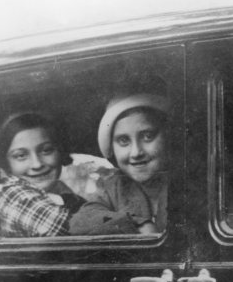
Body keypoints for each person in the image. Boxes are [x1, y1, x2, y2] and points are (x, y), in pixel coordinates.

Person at [68, 94, 170, 236]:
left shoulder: (190, 184)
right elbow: (80, 222)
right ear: (112, 147)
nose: (136, 152)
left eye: (148, 136)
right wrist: (134, 223)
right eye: (123, 140)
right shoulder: (114, 186)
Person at [0, 113, 84, 238]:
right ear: (6, 163)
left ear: (60, 152)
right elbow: (81, 231)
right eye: (21, 156)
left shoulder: (61, 190)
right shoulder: (14, 193)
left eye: (46, 150)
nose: (37, 164)